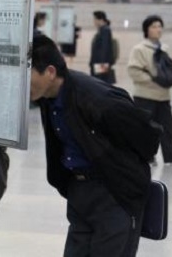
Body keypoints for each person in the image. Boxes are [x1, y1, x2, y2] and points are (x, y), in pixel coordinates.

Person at [30, 35, 160, 257]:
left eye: (27, 74)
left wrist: (122, 181)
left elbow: (147, 138)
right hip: (80, 191)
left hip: (114, 195)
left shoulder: (97, 98)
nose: (21, 83)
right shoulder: (49, 99)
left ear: (50, 72)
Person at [127, 15, 172, 167]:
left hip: (163, 96)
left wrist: (166, 80)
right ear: (146, 29)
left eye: (160, 26)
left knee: (168, 127)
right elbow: (134, 71)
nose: (158, 29)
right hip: (145, 96)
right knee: (145, 129)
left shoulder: (163, 49)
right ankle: (146, 158)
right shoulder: (139, 49)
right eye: (154, 26)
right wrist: (153, 81)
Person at [89, 10, 115, 84]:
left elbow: (105, 48)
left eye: (94, 19)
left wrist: (102, 64)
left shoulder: (105, 30)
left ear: (100, 19)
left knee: (100, 83)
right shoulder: (102, 30)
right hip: (99, 63)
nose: (93, 21)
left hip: (101, 64)